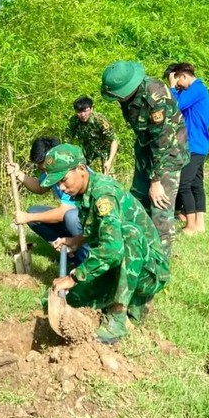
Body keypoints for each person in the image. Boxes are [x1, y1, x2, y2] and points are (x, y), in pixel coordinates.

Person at [44, 144, 170, 345]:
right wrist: (77, 241)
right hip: (117, 268)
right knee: (68, 298)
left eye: (63, 179)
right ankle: (115, 301)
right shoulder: (85, 194)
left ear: (81, 170)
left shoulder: (104, 195)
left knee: (129, 235)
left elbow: (112, 249)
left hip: (149, 271)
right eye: (57, 183)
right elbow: (101, 231)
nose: (60, 187)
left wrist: (74, 277)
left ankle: (119, 316)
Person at [100, 61, 189, 254]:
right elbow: (143, 135)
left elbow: (162, 141)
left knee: (160, 209)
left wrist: (156, 180)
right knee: (137, 203)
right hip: (146, 153)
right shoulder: (127, 98)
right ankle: (139, 252)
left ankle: (160, 267)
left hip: (167, 156)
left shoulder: (155, 96)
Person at [6, 137, 89, 266]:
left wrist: (27, 217)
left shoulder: (70, 173)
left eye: (46, 169)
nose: (46, 173)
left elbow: (64, 212)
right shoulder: (51, 171)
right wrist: (18, 174)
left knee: (71, 217)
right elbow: (40, 187)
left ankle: (84, 260)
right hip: (73, 222)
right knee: (34, 213)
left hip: (87, 224)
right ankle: (66, 249)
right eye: (43, 170)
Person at [164, 63, 209, 235]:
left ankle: (191, 225)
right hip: (199, 144)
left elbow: (173, 106)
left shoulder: (196, 89)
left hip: (194, 145)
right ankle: (200, 224)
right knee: (196, 185)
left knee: (184, 184)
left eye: (178, 82)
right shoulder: (200, 91)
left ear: (183, 75)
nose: (178, 87)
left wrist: (171, 88)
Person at [66, 96, 119, 174]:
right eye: (79, 112)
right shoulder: (74, 121)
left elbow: (114, 140)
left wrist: (109, 161)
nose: (83, 115)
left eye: (85, 111)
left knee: (107, 180)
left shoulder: (99, 120)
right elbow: (67, 140)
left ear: (91, 109)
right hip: (88, 153)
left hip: (105, 152)